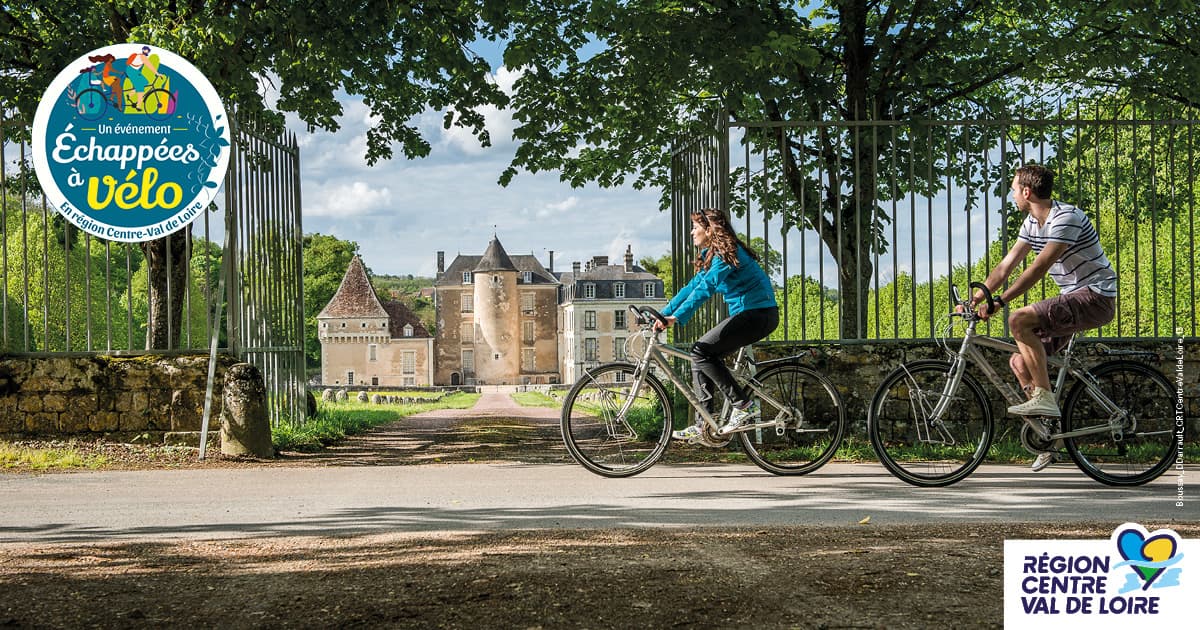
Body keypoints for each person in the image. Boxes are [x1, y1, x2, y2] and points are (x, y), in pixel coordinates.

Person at [970, 164, 1116, 471]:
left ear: (1027, 191)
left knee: (1018, 320)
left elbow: (1037, 269)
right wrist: (978, 298)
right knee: (1020, 362)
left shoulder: (1066, 218)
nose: (1011, 195)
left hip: (1095, 295)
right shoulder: (1032, 223)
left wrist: (1000, 302)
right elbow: (1006, 266)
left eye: (1013, 189)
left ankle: (1045, 399)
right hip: (1073, 299)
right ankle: (1048, 436)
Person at [654, 208, 779, 441]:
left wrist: (676, 318)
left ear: (709, 230)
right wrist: (662, 314)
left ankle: (743, 406)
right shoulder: (713, 255)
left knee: (701, 351)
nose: (692, 232)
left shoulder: (726, 253)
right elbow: (692, 287)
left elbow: (707, 288)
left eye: (695, 227)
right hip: (748, 314)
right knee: (698, 355)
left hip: (758, 314)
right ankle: (705, 426)